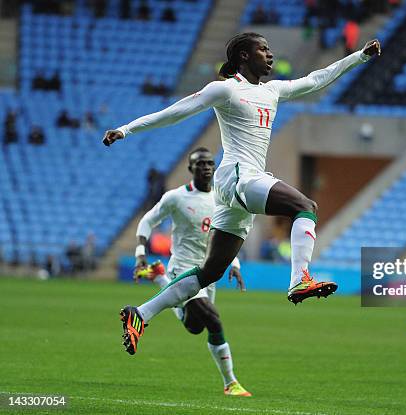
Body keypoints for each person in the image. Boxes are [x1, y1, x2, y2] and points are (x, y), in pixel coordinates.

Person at [103, 32, 381, 354]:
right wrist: (126, 128)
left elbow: (316, 80)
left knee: (210, 272)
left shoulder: (273, 90)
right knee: (305, 206)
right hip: (238, 177)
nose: (270, 54)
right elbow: (176, 111)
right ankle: (300, 278)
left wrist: (359, 56)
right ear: (244, 56)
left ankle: (141, 313)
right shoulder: (226, 90)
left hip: (238, 189)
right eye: (263, 49)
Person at [133, 148, 251, 396]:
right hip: (184, 269)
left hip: (210, 273)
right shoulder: (175, 197)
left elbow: (226, 237)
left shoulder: (221, 199)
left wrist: (235, 265)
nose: (206, 167)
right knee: (213, 320)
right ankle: (231, 382)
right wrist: (140, 253)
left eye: (210, 163)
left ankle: (159, 277)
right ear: (191, 168)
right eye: (200, 164)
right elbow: (147, 221)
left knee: (194, 327)